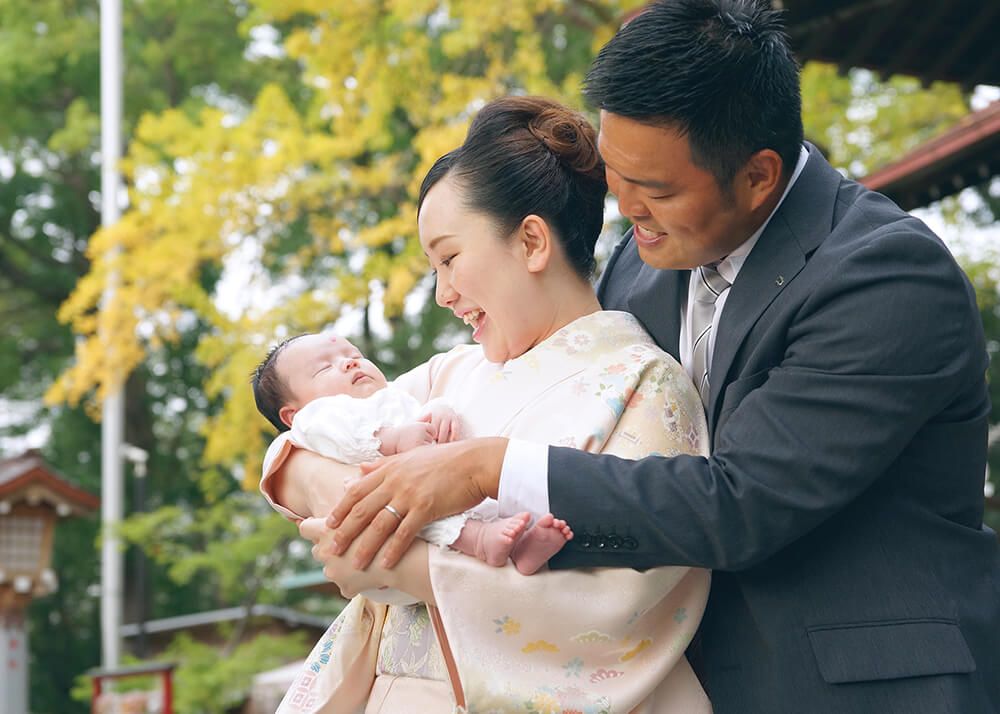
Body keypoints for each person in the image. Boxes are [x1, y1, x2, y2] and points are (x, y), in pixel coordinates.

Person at [314, 2, 1000, 713]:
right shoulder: (637, 271)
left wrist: (486, 466)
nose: (626, 205)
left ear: (759, 176)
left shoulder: (885, 276)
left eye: (658, 189)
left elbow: (742, 503)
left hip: (863, 685)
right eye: (616, 172)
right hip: (687, 680)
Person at [267, 96, 714, 713]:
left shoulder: (645, 384)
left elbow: (622, 605)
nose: (443, 293)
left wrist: (409, 567)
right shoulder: (453, 371)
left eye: (449, 258)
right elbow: (307, 439)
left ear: (531, 241)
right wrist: (337, 503)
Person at [251, 331, 573, 590]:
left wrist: (440, 410)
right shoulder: (316, 419)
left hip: (443, 480)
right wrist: (391, 439)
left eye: (354, 356)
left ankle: (523, 549)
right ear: (292, 414)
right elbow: (347, 436)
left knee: (487, 506)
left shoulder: (390, 396)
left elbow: (419, 410)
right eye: (324, 368)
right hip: (395, 498)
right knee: (418, 509)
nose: (350, 364)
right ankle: (478, 540)